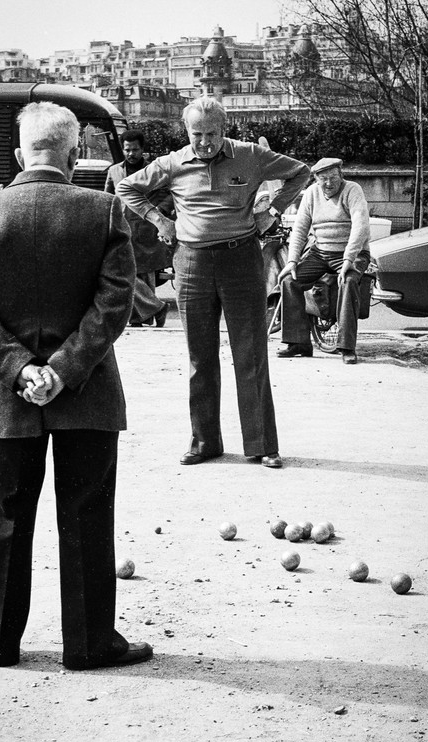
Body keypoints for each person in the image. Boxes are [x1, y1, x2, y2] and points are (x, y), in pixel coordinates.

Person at [0, 102, 153, 670]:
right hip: (87, 394)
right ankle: (88, 644)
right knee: (86, 515)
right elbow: (114, 306)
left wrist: (19, 368)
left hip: (4, 399)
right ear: (75, 154)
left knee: (4, 518)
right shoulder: (105, 211)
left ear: (19, 154)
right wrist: (61, 369)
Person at [117, 97, 310, 468]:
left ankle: (262, 444)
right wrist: (161, 221)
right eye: (196, 134)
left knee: (250, 353)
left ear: (224, 129)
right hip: (192, 264)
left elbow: (300, 172)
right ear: (186, 132)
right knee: (199, 356)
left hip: (241, 259)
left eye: (211, 133)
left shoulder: (251, 155)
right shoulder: (173, 162)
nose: (204, 142)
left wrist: (272, 211)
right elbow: (128, 188)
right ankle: (205, 442)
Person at [277, 157, 371, 365]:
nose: (328, 183)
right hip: (320, 253)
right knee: (289, 281)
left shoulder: (352, 190)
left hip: (351, 253)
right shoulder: (311, 193)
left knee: (348, 281)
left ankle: (347, 346)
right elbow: (300, 228)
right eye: (323, 179)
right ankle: (298, 343)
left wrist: (349, 258)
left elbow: (360, 224)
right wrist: (292, 261)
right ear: (317, 180)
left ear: (341, 176)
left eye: (333, 178)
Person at [105, 129, 172, 327]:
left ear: (142, 149)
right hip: (122, 230)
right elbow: (108, 198)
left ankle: (143, 317)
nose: (131, 154)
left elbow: (170, 195)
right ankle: (155, 309)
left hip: (148, 231)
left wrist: (159, 211)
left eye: (135, 149)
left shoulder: (154, 170)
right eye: (127, 150)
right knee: (122, 273)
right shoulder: (114, 171)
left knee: (146, 276)